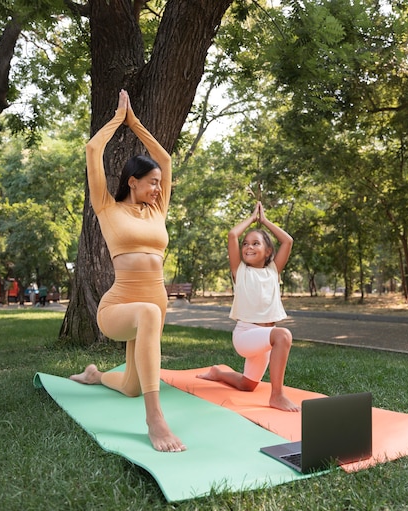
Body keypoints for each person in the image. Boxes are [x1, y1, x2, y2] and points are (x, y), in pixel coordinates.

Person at [69, 89, 186, 453]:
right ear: (132, 180)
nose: (158, 187)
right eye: (151, 182)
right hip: (119, 307)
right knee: (148, 312)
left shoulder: (157, 210)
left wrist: (137, 123)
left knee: (132, 385)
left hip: (153, 306)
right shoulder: (107, 206)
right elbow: (92, 151)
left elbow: (165, 159)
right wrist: (118, 121)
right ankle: (155, 419)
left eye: (159, 184)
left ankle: (96, 375)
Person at [198, 202, 300, 412]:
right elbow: (232, 235)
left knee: (247, 385)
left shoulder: (273, 271)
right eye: (246, 244)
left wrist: (265, 221)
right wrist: (252, 218)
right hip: (246, 336)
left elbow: (287, 241)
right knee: (283, 336)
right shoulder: (240, 271)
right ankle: (277, 396)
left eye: (255, 244)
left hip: (262, 341)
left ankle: (218, 373)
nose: (248, 247)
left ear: (268, 251)